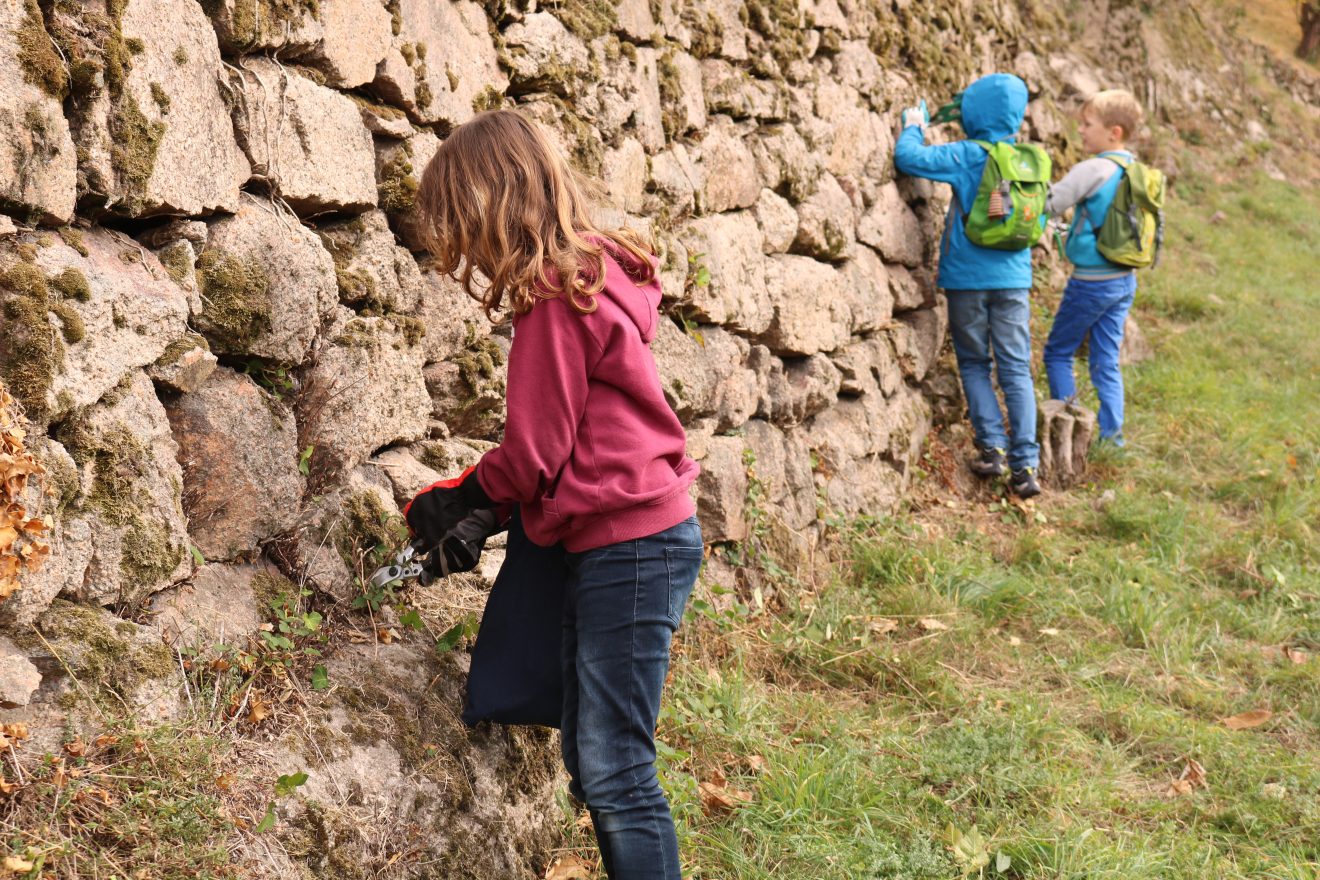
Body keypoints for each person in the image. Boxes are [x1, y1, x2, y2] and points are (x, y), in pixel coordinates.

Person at [401, 109, 703, 880]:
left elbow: (537, 454)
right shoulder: (597, 278)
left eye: (460, 225)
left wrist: (466, 493)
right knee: (593, 756)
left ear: (487, 204)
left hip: (627, 546)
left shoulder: (553, 302)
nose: (463, 248)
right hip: (637, 538)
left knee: (617, 772)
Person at [895, 73, 1043, 498]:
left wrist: (912, 125)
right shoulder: (1029, 160)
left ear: (975, 113)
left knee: (976, 363)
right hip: (1014, 280)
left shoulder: (967, 155)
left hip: (968, 281)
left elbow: (910, 159)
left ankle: (992, 448)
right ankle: (1026, 465)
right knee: (1015, 368)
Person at [1042, 89, 1146, 447]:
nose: (1081, 131)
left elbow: (1050, 202)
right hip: (1124, 280)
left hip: (1090, 282)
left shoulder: (1093, 168)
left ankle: (1066, 432)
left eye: (1087, 125)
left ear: (1113, 132)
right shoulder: (1135, 169)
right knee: (1105, 360)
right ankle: (1111, 438)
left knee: (1057, 352)